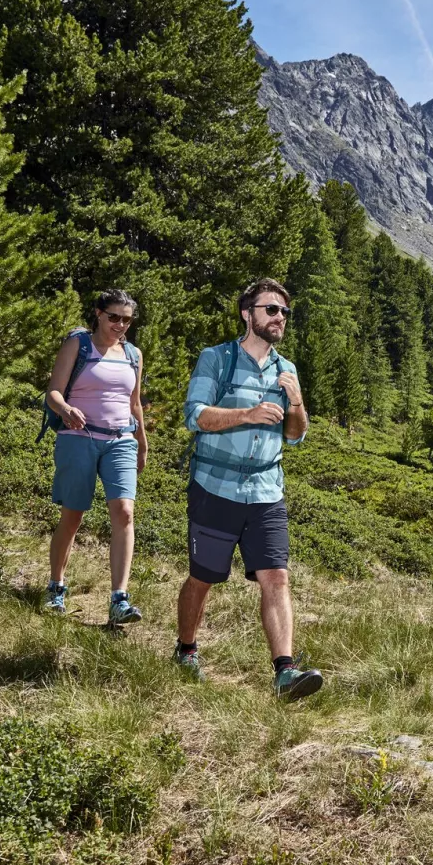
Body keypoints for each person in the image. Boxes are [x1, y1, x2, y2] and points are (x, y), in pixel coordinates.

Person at [175, 278, 323, 701]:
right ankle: (186, 649)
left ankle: (285, 673)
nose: (280, 318)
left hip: (266, 490)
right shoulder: (216, 360)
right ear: (247, 314)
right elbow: (196, 416)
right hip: (215, 487)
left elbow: (295, 436)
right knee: (203, 578)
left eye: (284, 313)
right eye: (271, 310)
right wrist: (248, 414)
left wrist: (296, 405)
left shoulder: (287, 369)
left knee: (276, 577)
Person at [42, 290, 147, 625]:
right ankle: (56, 586)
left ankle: (119, 599)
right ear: (98, 313)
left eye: (126, 319)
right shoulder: (78, 344)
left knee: (125, 513)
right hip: (78, 438)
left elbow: (135, 402)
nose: (119, 324)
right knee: (72, 516)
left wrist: (142, 443)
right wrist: (65, 408)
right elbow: (54, 391)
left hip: (121, 440)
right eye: (113, 317)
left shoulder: (133, 354)